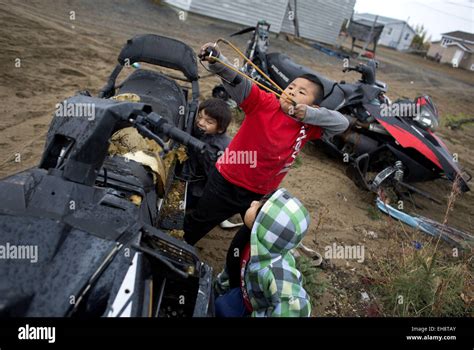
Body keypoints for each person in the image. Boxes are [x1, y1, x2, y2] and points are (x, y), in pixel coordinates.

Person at [183, 42, 349, 245]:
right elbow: (240, 82)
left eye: (302, 92)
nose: (292, 92)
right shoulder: (264, 103)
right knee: (199, 222)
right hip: (226, 181)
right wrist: (217, 60)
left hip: (260, 193)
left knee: (254, 235)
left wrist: (310, 115)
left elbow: (342, 123)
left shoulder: (309, 125)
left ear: (313, 106)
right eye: (291, 87)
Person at [214, 188, 311, 317]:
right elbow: (232, 265)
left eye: (257, 206)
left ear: (264, 226)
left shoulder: (278, 274)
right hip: (246, 292)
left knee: (223, 309)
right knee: (220, 305)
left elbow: (298, 310)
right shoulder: (248, 239)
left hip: (255, 306)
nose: (253, 202)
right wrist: (219, 287)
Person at [185, 98, 231, 209]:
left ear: (220, 129)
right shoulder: (205, 130)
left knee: (190, 202)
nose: (200, 122)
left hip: (201, 185)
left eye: (209, 122)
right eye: (200, 116)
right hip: (198, 173)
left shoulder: (214, 149)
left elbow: (212, 176)